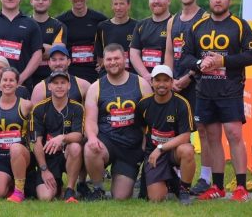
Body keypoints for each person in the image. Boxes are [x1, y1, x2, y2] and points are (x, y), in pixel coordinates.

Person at [180, 0, 252, 203]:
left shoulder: (240, 25)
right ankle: (217, 186)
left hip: (231, 90)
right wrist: (199, 63)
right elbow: (184, 56)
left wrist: (222, 60)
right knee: (212, 138)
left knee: (234, 135)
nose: (218, 1)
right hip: (205, 91)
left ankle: (241, 187)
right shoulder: (197, 27)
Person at [83, 43, 152, 201]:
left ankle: (120, 174)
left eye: (116, 58)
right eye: (109, 59)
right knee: (89, 148)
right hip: (107, 141)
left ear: (125, 59)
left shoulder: (141, 84)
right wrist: (92, 138)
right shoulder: (95, 87)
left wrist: (144, 142)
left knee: (121, 197)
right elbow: (90, 120)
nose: (112, 62)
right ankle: (98, 188)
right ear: (103, 62)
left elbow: (150, 120)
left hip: (131, 145)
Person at [164, 0, 211, 195]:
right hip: (175, 83)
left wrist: (189, 77)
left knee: (202, 129)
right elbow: (169, 52)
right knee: (175, 129)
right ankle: (175, 175)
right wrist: (168, 78)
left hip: (199, 81)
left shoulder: (205, 18)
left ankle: (206, 177)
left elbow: (207, 54)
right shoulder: (173, 20)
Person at [135, 65, 196, 204]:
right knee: (156, 199)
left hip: (172, 150)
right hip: (153, 153)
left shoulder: (181, 103)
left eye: (166, 80)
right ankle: (173, 180)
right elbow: (140, 127)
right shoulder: (144, 104)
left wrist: (161, 148)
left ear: (172, 82)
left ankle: (184, 191)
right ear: (151, 82)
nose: (161, 84)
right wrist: (146, 146)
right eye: (157, 80)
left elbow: (185, 137)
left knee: (187, 150)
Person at [30, 70, 85, 202]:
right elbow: (36, 143)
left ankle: (70, 191)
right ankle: (57, 185)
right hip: (48, 158)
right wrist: (44, 170)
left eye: (63, 83)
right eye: (55, 83)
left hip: (68, 154)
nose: (59, 86)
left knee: (76, 147)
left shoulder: (77, 108)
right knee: (45, 197)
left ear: (69, 85)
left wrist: (62, 138)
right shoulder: (39, 109)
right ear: (49, 86)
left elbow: (79, 136)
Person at [0, 67, 33, 202]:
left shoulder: (27, 105)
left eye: (12, 80)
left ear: (17, 84)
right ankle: (10, 184)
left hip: (21, 154)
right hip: (1, 155)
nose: (8, 83)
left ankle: (19, 191)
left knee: (15, 147)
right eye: (4, 80)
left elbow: (34, 131)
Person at [56, 0, 107, 84]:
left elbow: (110, 43)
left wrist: (104, 61)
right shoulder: (60, 21)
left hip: (94, 71)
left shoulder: (100, 19)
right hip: (70, 72)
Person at [130, 0, 172, 84]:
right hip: (145, 82)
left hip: (167, 82)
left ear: (169, 0)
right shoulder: (141, 25)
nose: (156, 1)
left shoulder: (176, 23)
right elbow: (134, 53)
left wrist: (161, 78)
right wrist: (146, 76)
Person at [29, 0, 67, 86]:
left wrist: (32, 49)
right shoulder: (24, 24)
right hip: (28, 77)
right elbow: (20, 52)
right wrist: (45, 48)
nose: (40, 2)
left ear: (50, 2)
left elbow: (57, 52)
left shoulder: (59, 26)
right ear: (31, 1)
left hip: (52, 77)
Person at [96, 0, 137, 73]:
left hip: (132, 74)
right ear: (112, 6)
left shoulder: (137, 26)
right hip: (110, 74)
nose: (118, 8)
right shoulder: (102, 27)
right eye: (115, 4)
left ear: (129, 5)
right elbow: (100, 55)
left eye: (122, 4)